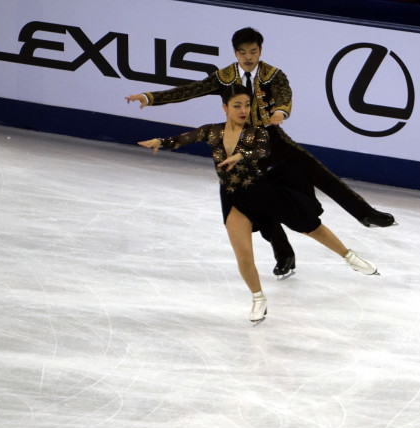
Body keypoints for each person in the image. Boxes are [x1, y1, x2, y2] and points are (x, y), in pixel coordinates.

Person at [126, 27, 395, 280]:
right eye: (243, 52)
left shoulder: (273, 75)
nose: (248, 57)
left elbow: (284, 94)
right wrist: (150, 98)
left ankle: (365, 213)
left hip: (272, 139)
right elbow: (190, 90)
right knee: (260, 201)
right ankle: (285, 255)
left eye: (253, 51)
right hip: (242, 145)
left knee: (317, 171)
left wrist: (280, 112)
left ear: (260, 50)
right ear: (235, 52)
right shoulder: (224, 77)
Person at [137, 84, 379, 325]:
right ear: (225, 108)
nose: (243, 110)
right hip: (234, 199)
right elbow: (182, 139)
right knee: (244, 256)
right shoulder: (212, 131)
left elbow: (260, 151)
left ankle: (350, 257)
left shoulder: (258, 132)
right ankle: (258, 298)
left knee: (310, 226)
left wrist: (239, 155)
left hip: (264, 192)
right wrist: (159, 141)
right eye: (237, 106)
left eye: (247, 105)